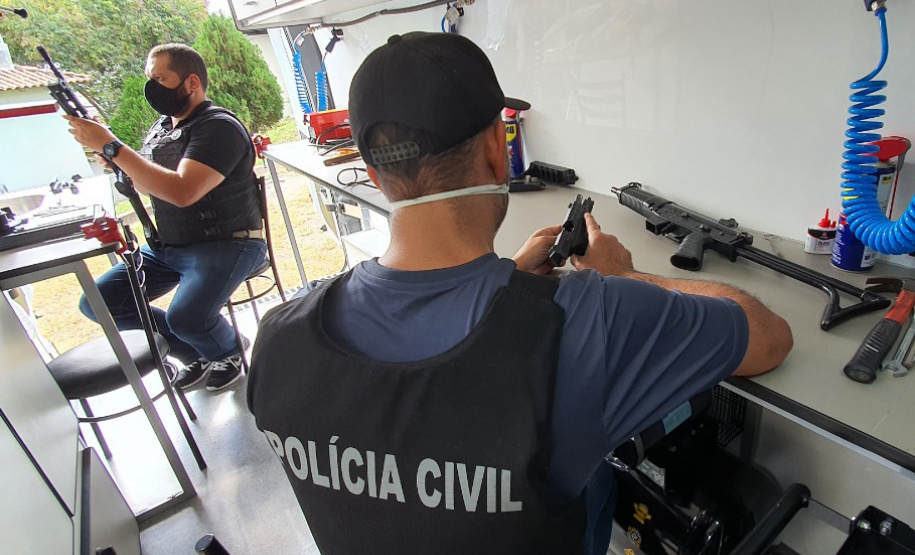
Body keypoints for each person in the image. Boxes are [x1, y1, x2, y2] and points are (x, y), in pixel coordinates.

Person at [247, 32, 793, 554]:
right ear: (495, 148)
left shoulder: (276, 340)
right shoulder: (584, 319)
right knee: (598, 470)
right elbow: (769, 339)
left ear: (371, 169)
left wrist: (507, 277)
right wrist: (625, 279)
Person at [65, 43, 266, 392]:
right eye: (149, 78)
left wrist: (114, 146)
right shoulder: (162, 129)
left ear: (191, 83)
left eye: (160, 78)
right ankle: (198, 353)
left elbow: (182, 191)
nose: (151, 87)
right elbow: (151, 185)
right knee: (100, 304)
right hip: (169, 246)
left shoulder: (218, 127)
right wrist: (121, 163)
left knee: (185, 316)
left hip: (228, 244)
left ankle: (228, 349)